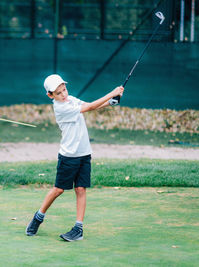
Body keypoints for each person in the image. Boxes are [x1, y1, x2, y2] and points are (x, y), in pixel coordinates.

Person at [25, 74, 124, 241]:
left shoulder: (70, 99)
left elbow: (87, 105)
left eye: (64, 90)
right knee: (58, 189)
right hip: (69, 156)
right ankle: (38, 217)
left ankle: (78, 229)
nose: (63, 94)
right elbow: (90, 107)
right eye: (58, 93)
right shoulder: (61, 108)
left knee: (80, 189)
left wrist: (110, 103)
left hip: (84, 153)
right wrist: (111, 92)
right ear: (51, 95)